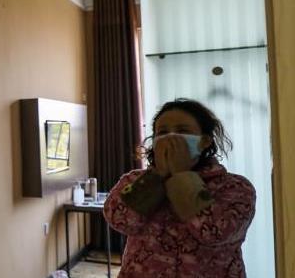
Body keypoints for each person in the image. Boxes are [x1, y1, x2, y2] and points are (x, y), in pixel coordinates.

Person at [103, 99, 255, 277]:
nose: (171, 139)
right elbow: (120, 220)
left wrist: (181, 175)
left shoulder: (235, 187)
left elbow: (214, 232)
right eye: (163, 132)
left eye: (183, 131)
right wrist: (157, 176)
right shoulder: (134, 180)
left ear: (205, 141)